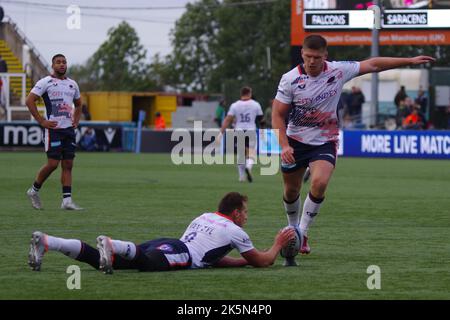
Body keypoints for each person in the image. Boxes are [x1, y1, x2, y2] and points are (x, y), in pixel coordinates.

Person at [272, 34, 434, 255]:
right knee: (291, 191)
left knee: (319, 183)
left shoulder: (338, 70)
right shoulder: (289, 79)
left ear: (325, 56)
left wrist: (410, 61)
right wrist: (283, 145)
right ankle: (292, 229)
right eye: (308, 56)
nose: (312, 61)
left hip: (325, 141)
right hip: (295, 141)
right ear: (302, 53)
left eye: (317, 57)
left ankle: (303, 232)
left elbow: (373, 64)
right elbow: (277, 115)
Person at [28, 192, 296, 274]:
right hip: (182, 254)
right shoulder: (236, 230)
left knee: (117, 262)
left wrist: (239, 261)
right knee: (145, 265)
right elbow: (263, 261)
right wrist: (277, 243)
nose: (247, 216)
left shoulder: (205, 216)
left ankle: (49, 242)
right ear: (236, 213)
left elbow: (211, 254)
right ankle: (111, 243)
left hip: (169, 243)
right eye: (245, 212)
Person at [25, 54, 83, 211]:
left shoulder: (72, 84)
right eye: (58, 62)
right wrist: (42, 121)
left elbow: (78, 104)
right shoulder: (45, 82)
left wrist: (76, 120)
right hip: (53, 130)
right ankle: (33, 191)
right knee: (52, 164)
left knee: (68, 164)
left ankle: (67, 201)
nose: (62, 64)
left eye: (64, 62)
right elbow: (29, 101)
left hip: (68, 130)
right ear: (53, 65)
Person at [220, 87, 263, 183]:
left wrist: (222, 131)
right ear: (249, 93)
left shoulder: (235, 105)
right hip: (251, 130)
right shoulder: (255, 104)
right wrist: (262, 130)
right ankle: (248, 167)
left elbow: (228, 119)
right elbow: (261, 119)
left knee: (241, 154)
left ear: (241, 94)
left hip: (239, 130)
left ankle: (241, 177)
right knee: (251, 153)